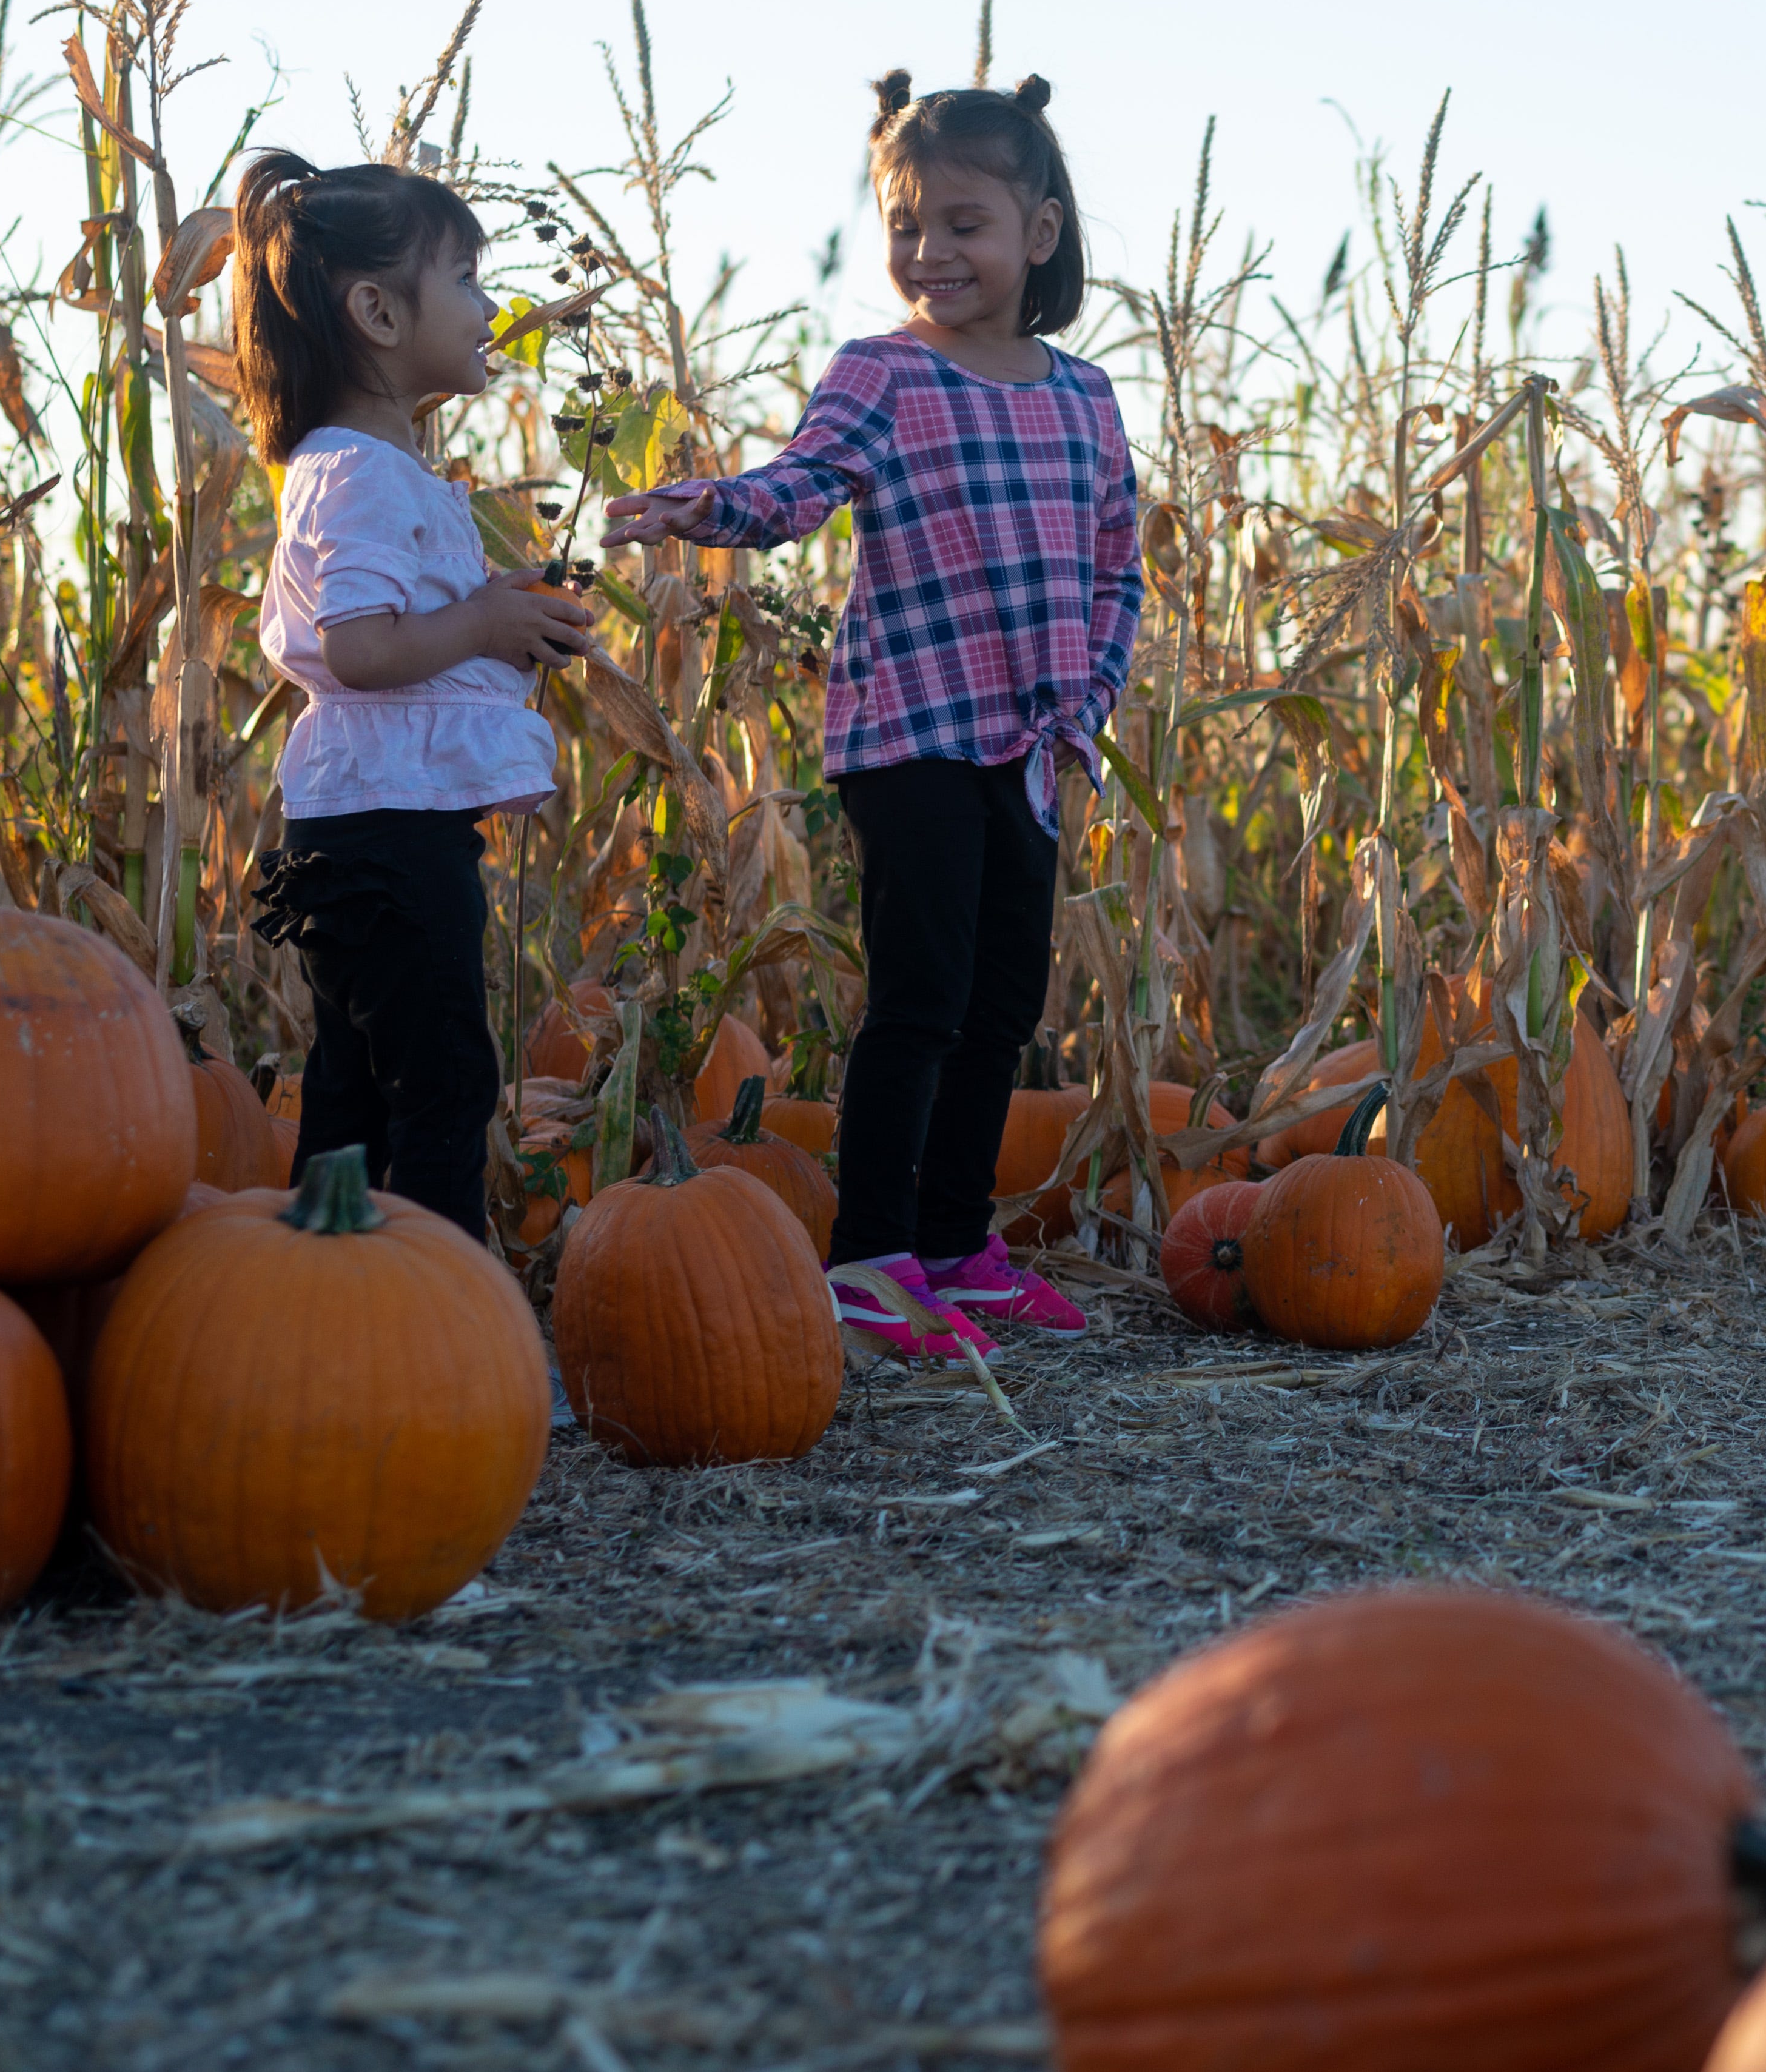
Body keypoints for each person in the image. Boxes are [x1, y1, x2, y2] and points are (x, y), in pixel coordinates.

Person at [603, 74, 1143, 1352]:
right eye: (907, 224)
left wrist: (1094, 695)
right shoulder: (883, 374)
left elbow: (1118, 562)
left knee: (1007, 998)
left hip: (1027, 744)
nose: (928, 251)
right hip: (908, 730)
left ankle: (959, 1242)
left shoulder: (1083, 397)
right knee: (923, 991)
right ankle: (870, 1257)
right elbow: (800, 487)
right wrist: (709, 506)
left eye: (964, 224)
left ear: (1040, 236)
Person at [237, 152, 596, 1238]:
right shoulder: (358, 473)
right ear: (380, 311)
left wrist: (500, 615)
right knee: (441, 1080)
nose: (495, 310)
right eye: (470, 282)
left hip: (367, 825)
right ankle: (443, 1308)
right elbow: (360, 649)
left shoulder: (368, 468)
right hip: (388, 840)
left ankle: (323, 1304)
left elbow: (401, 634)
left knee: (355, 1084)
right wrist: (483, 623)